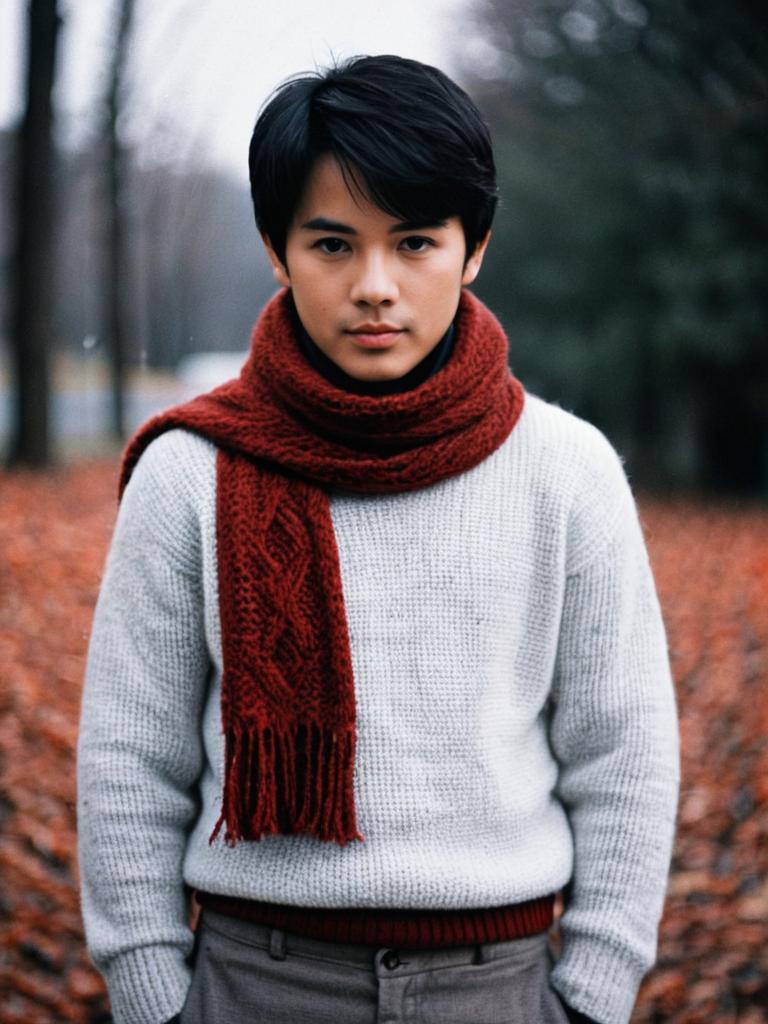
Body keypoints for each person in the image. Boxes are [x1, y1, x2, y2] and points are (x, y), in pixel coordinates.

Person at [77, 54, 679, 1024]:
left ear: (473, 246)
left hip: (502, 982)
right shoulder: (191, 470)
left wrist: (598, 990)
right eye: (331, 245)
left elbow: (625, 750)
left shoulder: (566, 471)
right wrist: (151, 991)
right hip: (254, 979)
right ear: (278, 250)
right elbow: (127, 756)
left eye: (414, 242)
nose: (375, 286)